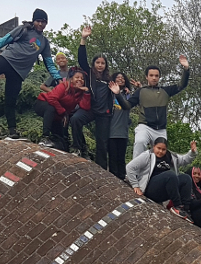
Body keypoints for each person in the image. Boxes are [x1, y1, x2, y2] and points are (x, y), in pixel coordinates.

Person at [0, 9, 61, 138]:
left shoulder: (44, 43)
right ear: (34, 21)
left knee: (10, 101)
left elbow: (49, 63)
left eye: (44, 22)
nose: (41, 24)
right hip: (7, 60)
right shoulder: (23, 30)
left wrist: (57, 77)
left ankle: (12, 131)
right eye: (38, 21)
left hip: (19, 72)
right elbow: (3, 41)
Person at [123, 59, 190, 159]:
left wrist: (186, 69)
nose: (154, 78)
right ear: (146, 77)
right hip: (145, 126)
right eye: (151, 75)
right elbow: (127, 105)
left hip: (160, 129)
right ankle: (135, 171)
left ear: (159, 77)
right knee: (140, 142)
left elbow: (182, 85)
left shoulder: (165, 91)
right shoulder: (141, 91)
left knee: (160, 154)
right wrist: (117, 94)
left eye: (156, 76)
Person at [72, 26, 118, 171]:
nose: (100, 65)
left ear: (106, 65)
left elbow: (119, 87)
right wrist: (83, 39)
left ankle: (101, 169)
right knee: (75, 119)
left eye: (102, 63)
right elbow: (81, 59)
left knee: (102, 143)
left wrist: (125, 89)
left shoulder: (109, 79)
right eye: (97, 63)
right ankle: (80, 148)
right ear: (94, 64)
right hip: (90, 108)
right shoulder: (89, 74)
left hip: (104, 113)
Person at [125, 137, 197, 221]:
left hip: (164, 189)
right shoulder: (147, 155)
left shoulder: (170, 156)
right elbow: (130, 167)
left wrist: (192, 152)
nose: (160, 151)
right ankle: (177, 206)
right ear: (153, 146)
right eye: (158, 148)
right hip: (150, 189)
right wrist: (135, 185)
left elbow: (184, 160)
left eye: (163, 149)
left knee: (186, 178)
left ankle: (185, 209)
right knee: (170, 175)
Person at [34, 70, 90, 152]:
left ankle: (67, 148)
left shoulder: (80, 93)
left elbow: (85, 106)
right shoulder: (64, 86)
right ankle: (44, 137)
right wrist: (63, 113)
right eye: (77, 77)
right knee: (51, 107)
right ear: (71, 79)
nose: (80, 80)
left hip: (58, 113)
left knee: (61, 137)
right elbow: (52, 98)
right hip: (43, 104)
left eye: (82, 79)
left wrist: (87, 92)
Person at [107, 72, 136, 181]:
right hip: (111, 130)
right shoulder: (109, 94)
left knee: (121, 157)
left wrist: (129, 91)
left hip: (123, 131)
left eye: (123, 78)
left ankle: (122, 177)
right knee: (112, 156)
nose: (120, 79)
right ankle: (113, 178)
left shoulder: (127, 95)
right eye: (118, 77)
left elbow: (129, 105)